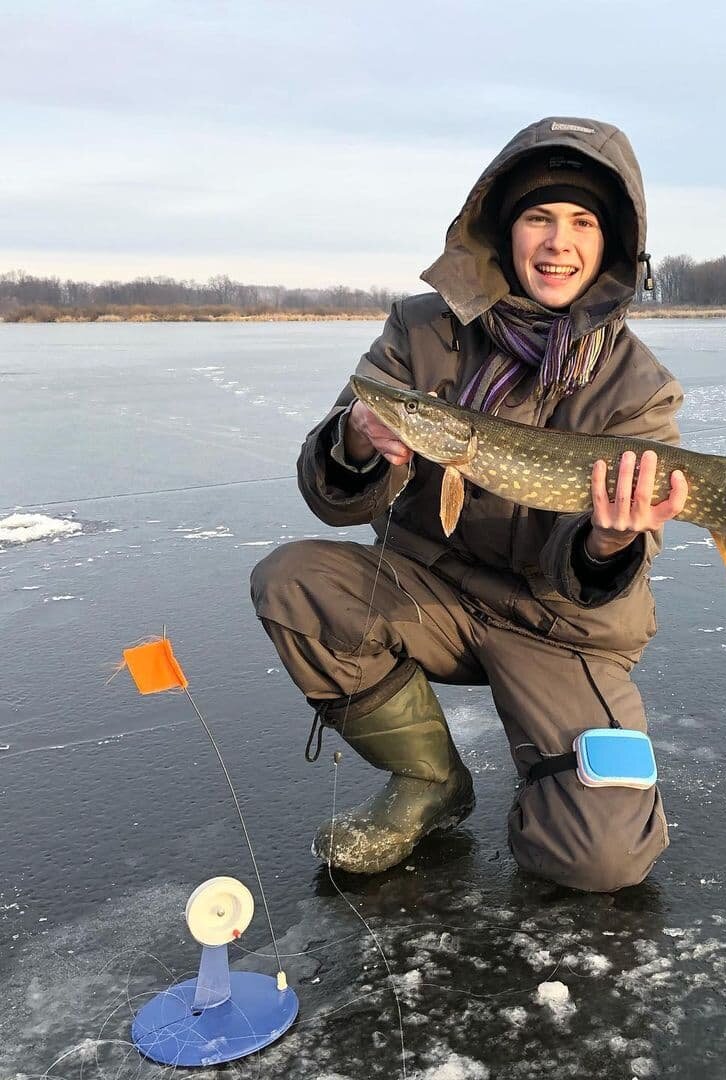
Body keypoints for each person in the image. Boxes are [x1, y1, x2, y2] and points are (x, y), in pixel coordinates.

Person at [250, 116, 687, 893]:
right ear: (502, 230)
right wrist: (355, 443)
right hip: (431, 596)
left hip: (562, 628)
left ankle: (558, 786)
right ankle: (429, 781)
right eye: (538, 218)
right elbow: (334, 498)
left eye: (582, 222)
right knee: (294, 580)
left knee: (603, 859)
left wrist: (610, 544)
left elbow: (599, 571)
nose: (558, 243)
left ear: (614, 245)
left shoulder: (638, 385)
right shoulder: (419, 333)